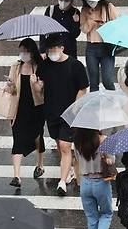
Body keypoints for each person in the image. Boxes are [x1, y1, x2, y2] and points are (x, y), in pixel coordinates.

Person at [37, 37, 89, 196]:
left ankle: (62, 182)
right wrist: (36, 85)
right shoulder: (44, 66)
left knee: (66, 146)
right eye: (49, 50)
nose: (52, 53)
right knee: (59, 144)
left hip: (69, 113)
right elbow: (41, 88)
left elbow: (83, 88)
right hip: (51, 112)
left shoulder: (75, 66)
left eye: (54, 49)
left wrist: (75, 107)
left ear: (62, 48)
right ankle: (69, 168)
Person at [6, 38, 45, 187]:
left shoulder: (40, 67)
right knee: (17, 139)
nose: (23, 54)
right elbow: (11, 90)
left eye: (26, 51)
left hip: (36, 109)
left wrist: (37, 85)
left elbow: (43, 91)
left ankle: (40, 164)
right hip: (18, 108)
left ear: (32, 52)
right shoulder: (15, 67)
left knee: (37, 136)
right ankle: (16, 176)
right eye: (21, 51)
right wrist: (10, 85)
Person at [74, 128, 113, 229]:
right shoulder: (103, 140)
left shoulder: (77, 142)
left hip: (85, 182)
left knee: (91, 218)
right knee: (107, 213)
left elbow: (78, 161)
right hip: (101, 182)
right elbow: (111, 160)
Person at [80, 0, 119, 92]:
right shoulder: (85, 10)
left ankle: (113, 102)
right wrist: (91, 21)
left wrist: (106, 25)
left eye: (93, 0)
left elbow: (118, 24)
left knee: (108, 80)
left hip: (107, 46)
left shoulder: (108, 7)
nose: (91, 2)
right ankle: (95, 105)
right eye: (88, 0)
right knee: (93, 83)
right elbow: (84, 29)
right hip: (91, 47)